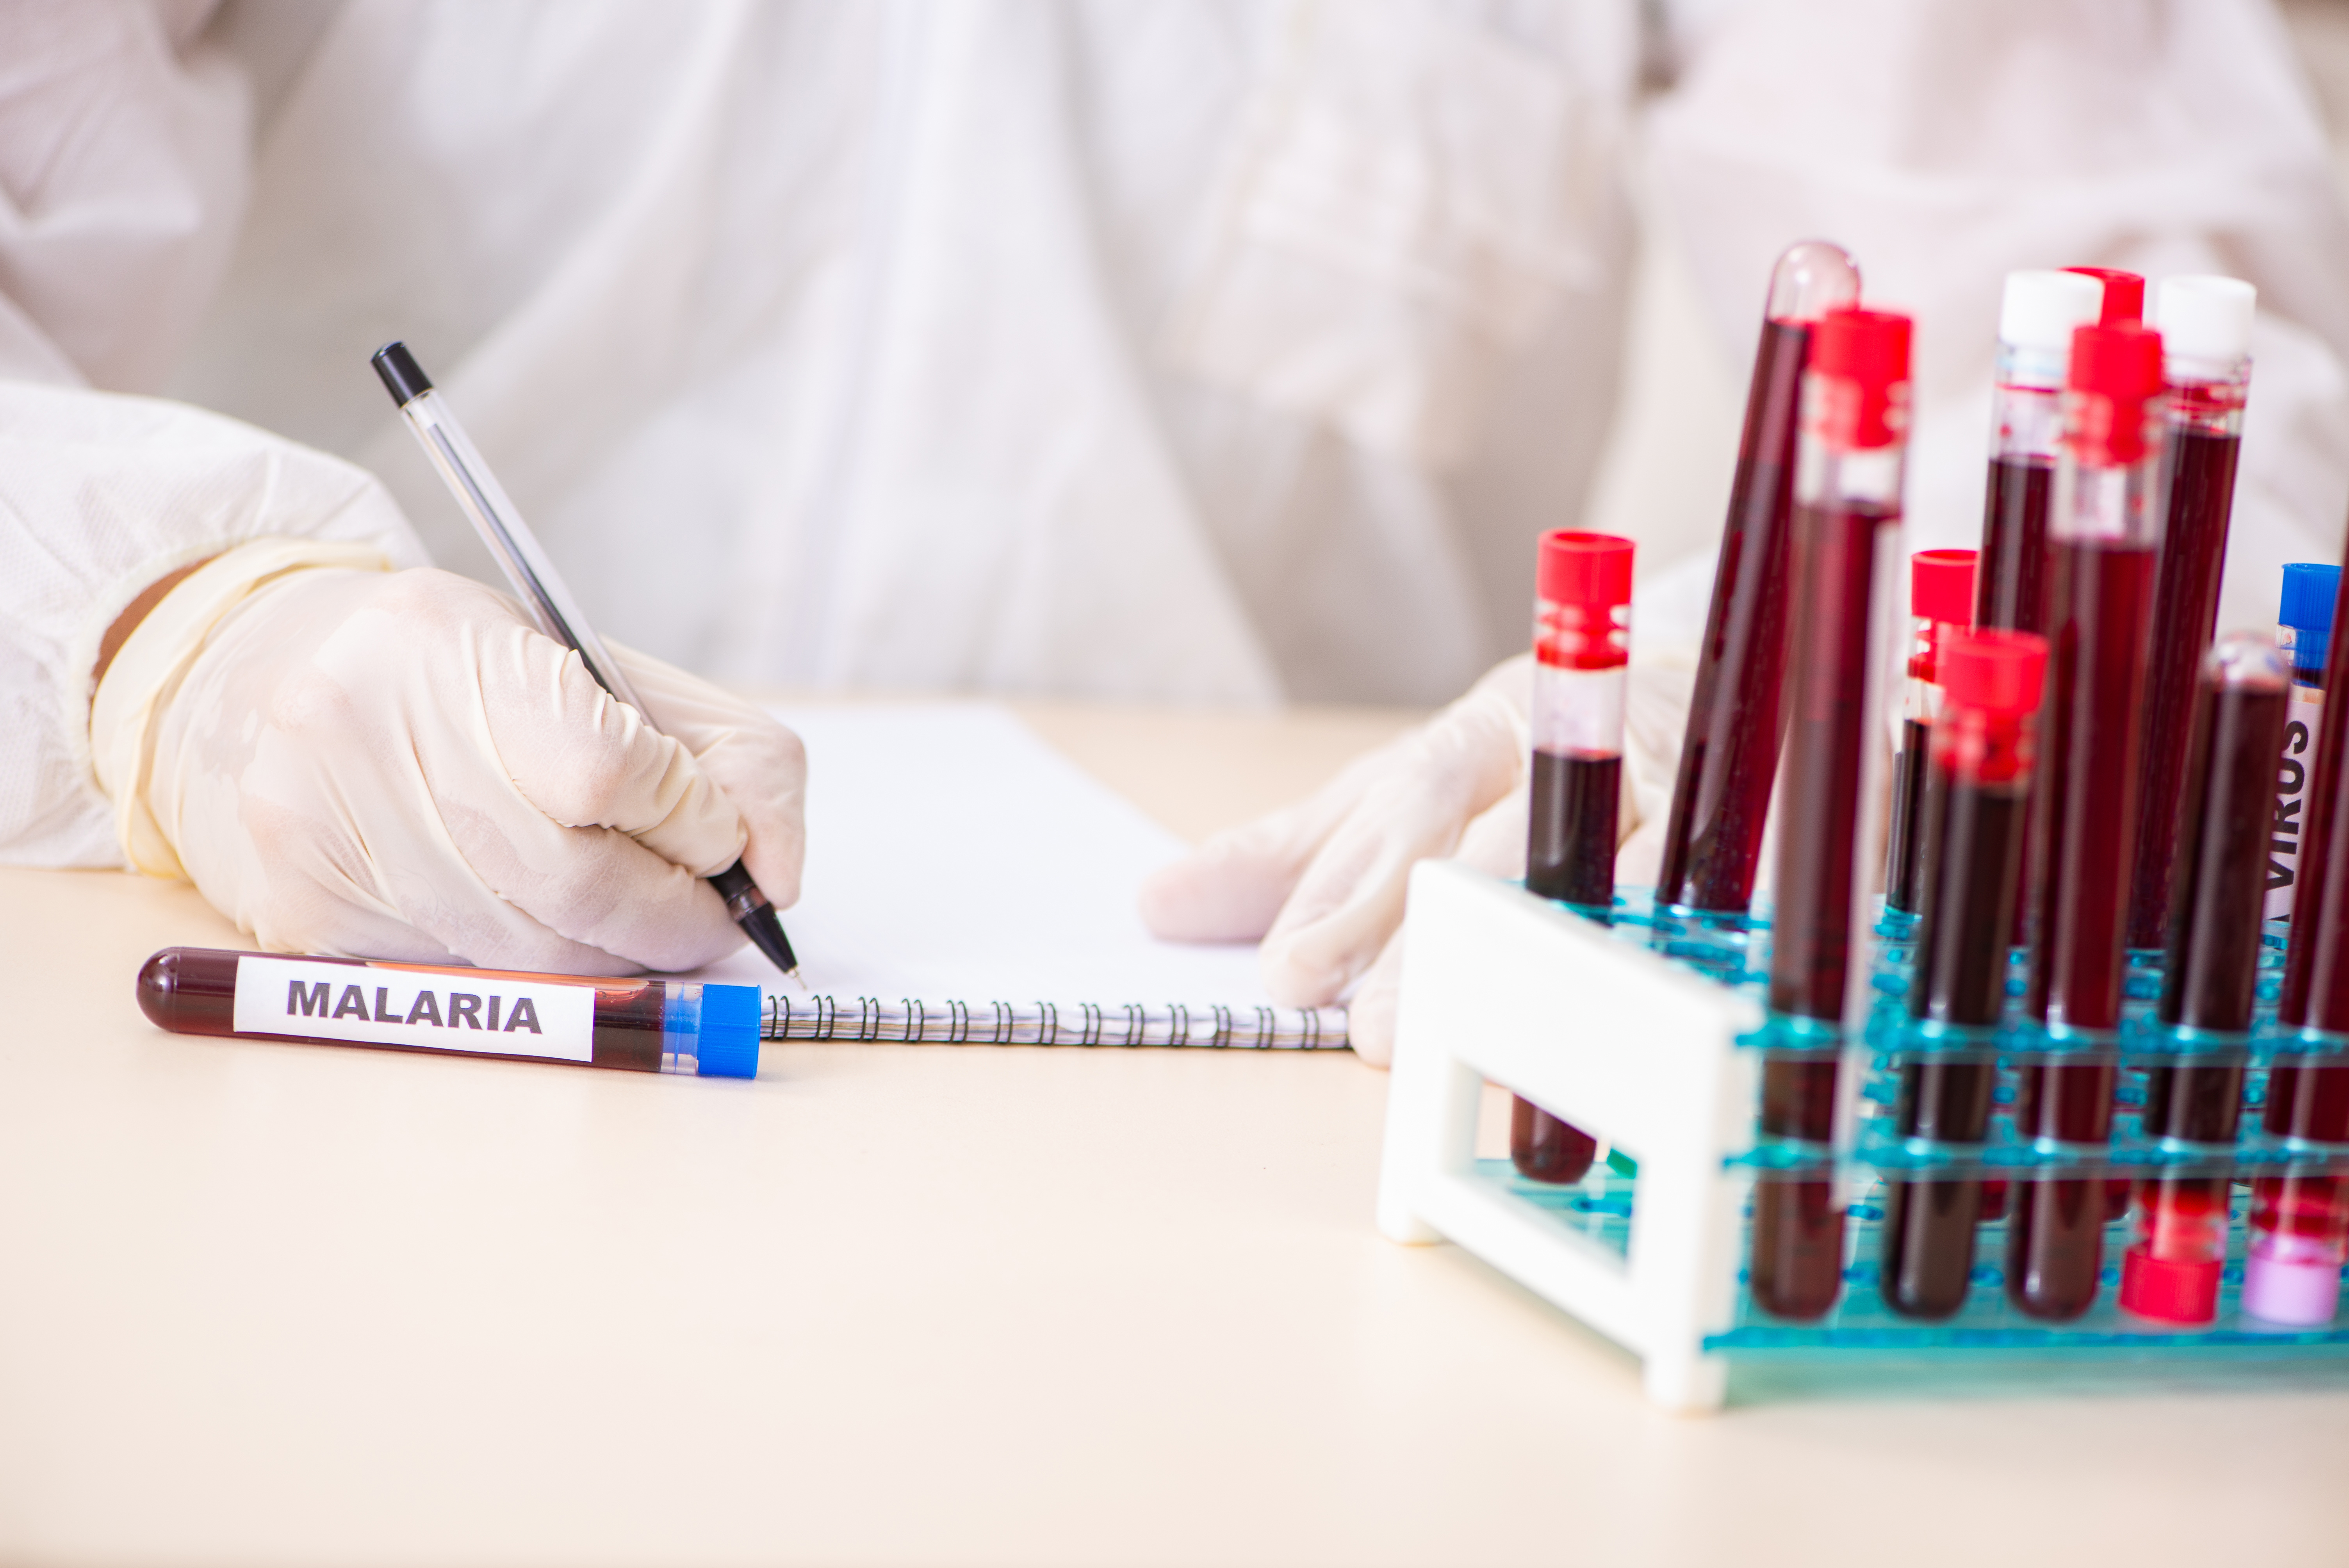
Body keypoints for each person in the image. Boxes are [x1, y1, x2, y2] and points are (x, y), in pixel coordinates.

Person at [4, 0, 2346, 1060]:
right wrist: (171, 618)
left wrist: (1833, 755)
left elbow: (2124, 336)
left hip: (1271, 1117)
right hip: (295, 1036)